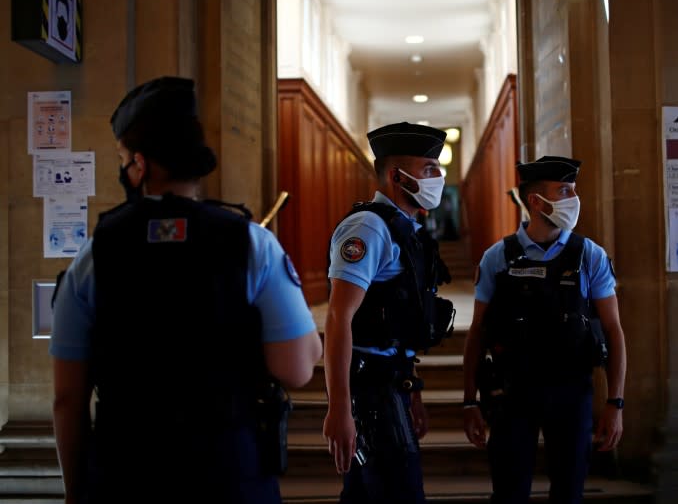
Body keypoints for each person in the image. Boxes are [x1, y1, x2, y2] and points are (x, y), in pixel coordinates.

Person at [50, 76, 322, 504]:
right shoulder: (252, 244)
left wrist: (75, 495)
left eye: (124, 158)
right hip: (228, 472)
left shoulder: (94, 255)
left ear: (140, 165)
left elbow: (67, 399)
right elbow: (298, 369)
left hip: (126, 475)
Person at [462, 156, 627, 504]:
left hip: (571, 391)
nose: (573, 200)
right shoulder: (498, 257)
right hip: (511, 393)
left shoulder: (589, 256)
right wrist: (469, 401)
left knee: (569, 492)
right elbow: (477, 333)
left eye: (574, 191)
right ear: (536, 202)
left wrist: (615, 402)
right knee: (509, 491)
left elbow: (613, 330)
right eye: (564, 191)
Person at [323, 121, 455, 504]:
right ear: (399, 176)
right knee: (399, 492)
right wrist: (338, 409)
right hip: (368, 392)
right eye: (429, 169)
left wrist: (412, 390)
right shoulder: (369, 228)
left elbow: (400, 323)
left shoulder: (407, 229)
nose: (438, 177)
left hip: (391, 384)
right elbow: (338, 319)